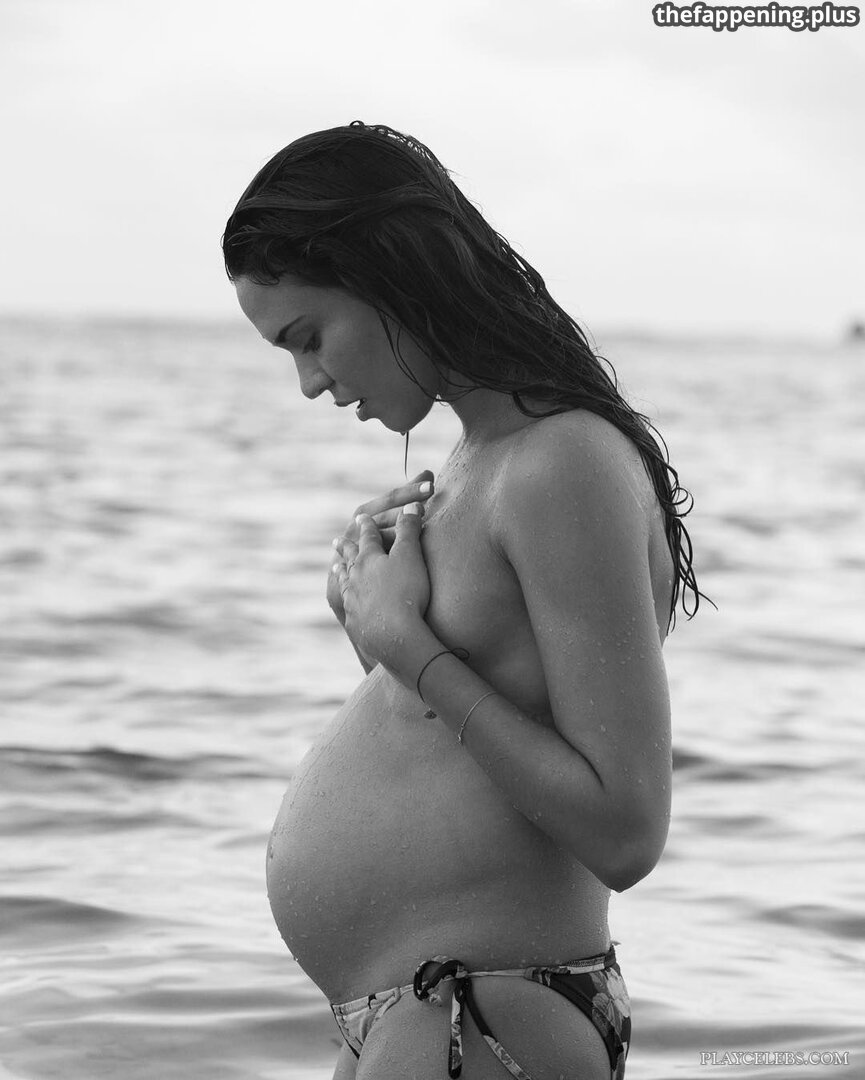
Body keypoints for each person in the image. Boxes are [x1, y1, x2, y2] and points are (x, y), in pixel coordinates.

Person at [221, 122, 706, 1080]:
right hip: (438, 1009)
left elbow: (623, 829)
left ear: (388, 272)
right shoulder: (482, 459)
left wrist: (410, 648)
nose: (310, 382)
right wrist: (371, 629)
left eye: (310, 338)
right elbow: (463, 758)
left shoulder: (560, 461)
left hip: (484, 1008)